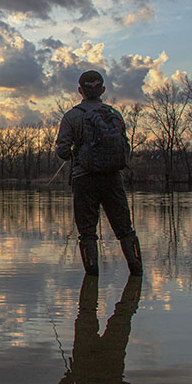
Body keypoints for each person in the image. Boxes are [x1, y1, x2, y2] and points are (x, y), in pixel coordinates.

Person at [55, 69, 142, 275]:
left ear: (79, 91)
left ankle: (91, 282)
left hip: (84, 180)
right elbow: (124, 147)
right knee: (125, 230)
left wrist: (74, 154)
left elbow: (62, 151)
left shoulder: (72, 116)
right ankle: (137, 273)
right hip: (113, 179)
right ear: (102, 90)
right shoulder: (115, 115)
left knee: (87, 234)